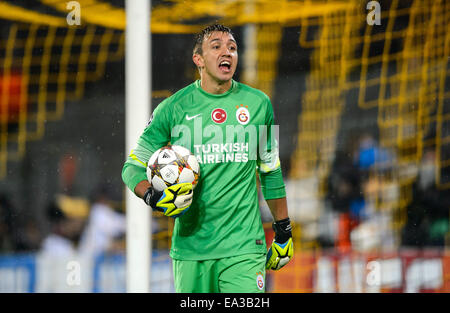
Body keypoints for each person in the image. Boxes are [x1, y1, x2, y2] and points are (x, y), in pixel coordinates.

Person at [122, 23, 293, 293]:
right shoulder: (173, 108)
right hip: (191, 249)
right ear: (198, 60)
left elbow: (270, 171)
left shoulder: (259, 105)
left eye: (232, 48)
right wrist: (151, 197)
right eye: (216, 46)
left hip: (244, 248)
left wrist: (283, 230)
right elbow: (132, 167)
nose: (227, 52)